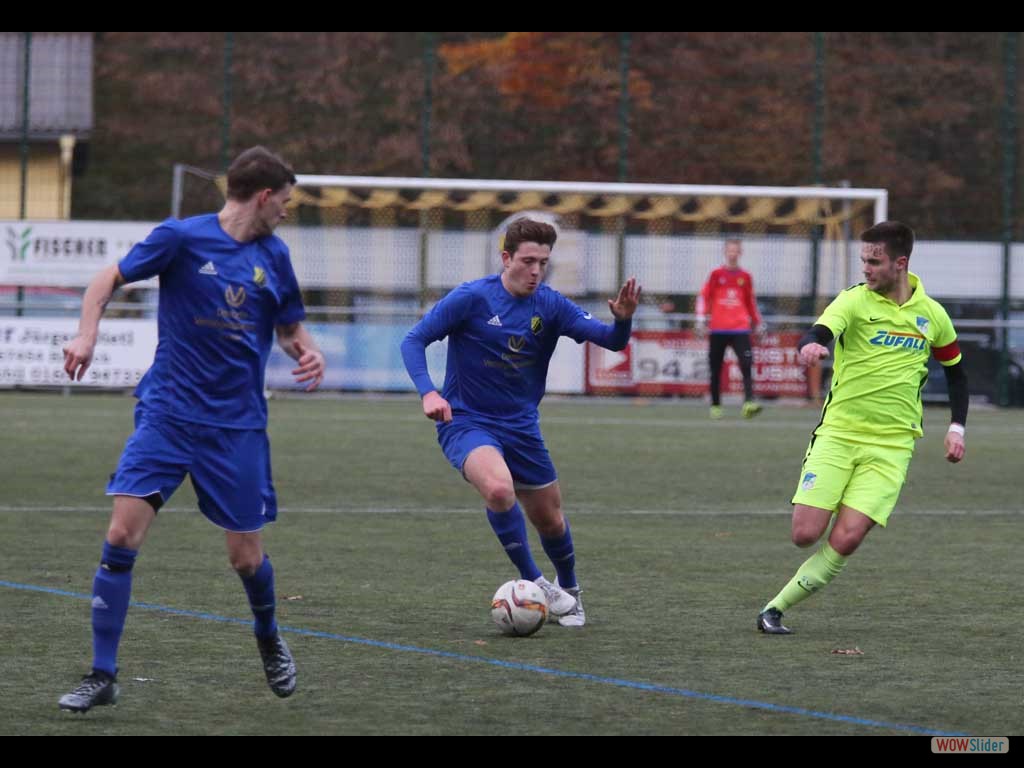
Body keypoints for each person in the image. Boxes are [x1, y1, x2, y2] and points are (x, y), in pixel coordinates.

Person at [58, 146, 325, 711]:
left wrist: (307, 351)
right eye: (284, 201)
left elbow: (289, 330)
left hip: (236, 427)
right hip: (168, 414)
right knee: (121, 536)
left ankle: (268, 636)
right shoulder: (181, 238)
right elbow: (106, 278)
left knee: (245, 558)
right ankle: (102, 674)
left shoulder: (274, 257)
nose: (286, 211)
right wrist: (86, 334)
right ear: (263, 196)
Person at [401, 218, 641, 628]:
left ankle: (570, 590)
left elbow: (612, 341)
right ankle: (537, 581)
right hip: (466, 421)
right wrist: (429, 392)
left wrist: (622, 319)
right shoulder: (472, 297)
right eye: (528, 261)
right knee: (498, 489)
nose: (536, 271)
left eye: (543, 263)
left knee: (550, 520)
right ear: (506, 258)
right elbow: (413, 340)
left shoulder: (551, 305)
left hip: (522, 427)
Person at [757, 221, 968, 635]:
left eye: (875, 262)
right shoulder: (853, 301)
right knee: (805, 534)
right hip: (838, 435)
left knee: (848, 538)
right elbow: (819, 330)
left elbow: (956, 373)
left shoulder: (932, 315)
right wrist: (811, 345)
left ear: (900, 263)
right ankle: (834, 496)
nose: (866, 269)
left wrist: (957, 428)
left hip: (892, 447)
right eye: (864, 261)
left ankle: (774, 610)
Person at [695, 238, 765, 419]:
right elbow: (704, 297)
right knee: (715, 368)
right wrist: (701, 319)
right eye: (730, 250)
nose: (733, 254)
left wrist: (758, 323)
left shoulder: (745, 277)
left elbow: (750, 302)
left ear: (740, 253)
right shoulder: (716, 274)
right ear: (725, 252)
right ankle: (715, 405)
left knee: (746, 364)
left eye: (736, 250)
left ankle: (749, 403)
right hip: (718, 329)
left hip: (740, 329)